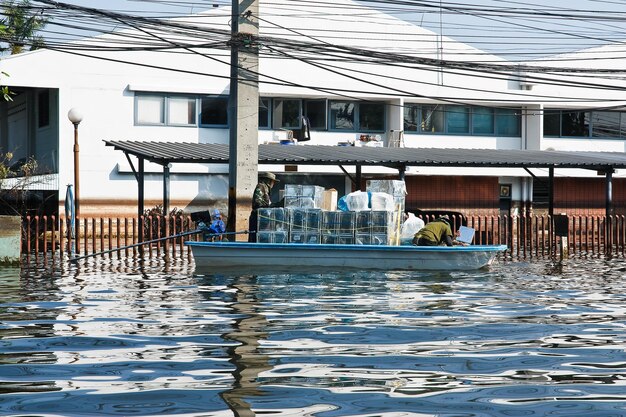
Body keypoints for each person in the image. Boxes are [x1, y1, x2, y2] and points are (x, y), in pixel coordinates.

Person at [248, 172, 282, 242]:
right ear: (269, 181)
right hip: (257, 217)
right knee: (255, 237)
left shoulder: (266, 188)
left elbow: (267, 204)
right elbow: (257, 202)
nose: (273, 184)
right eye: (273, 182)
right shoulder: (261, 186)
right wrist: (268, 208)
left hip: (263, 217)